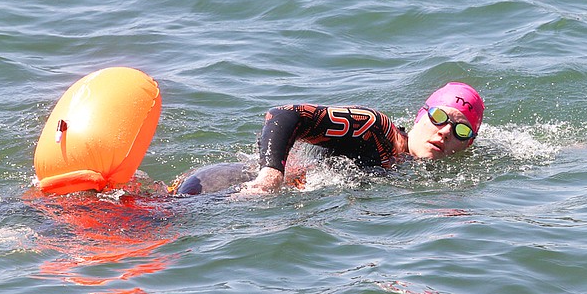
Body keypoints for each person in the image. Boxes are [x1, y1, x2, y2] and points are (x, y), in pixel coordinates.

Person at [170, 82, 485, 196]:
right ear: (421, 115)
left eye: (460, 130)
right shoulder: (375, 129)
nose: (445, 131)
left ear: (467, 144)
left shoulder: (410, 167)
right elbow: (283, 114)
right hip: (227, 184)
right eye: (440, 118)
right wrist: (268, 178)